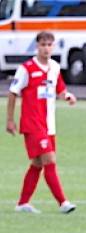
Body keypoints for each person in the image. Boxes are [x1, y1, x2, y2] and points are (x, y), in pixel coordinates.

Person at [5, 31, 77, 215]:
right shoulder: (26, 68)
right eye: (43, 45)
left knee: (37, 163)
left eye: (49, 45)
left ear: (53, 47)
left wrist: (67, 96)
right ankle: (63, 202)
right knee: (49, 160)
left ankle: (22, 203)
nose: (46, 48)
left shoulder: (54, 67)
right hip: (32, 123)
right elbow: (13, 93)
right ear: (37, 46)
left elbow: (60, 89)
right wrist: (10, 120)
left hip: (49, 125)